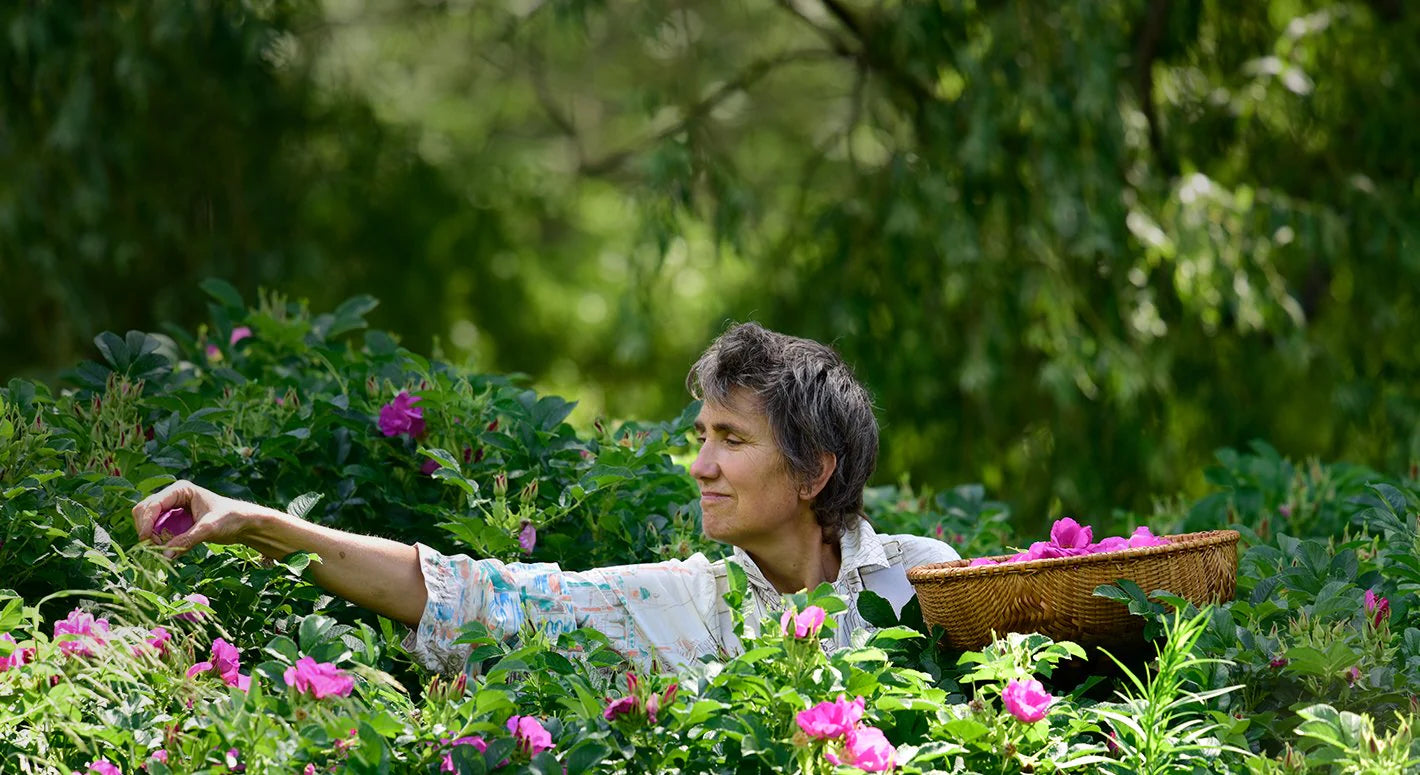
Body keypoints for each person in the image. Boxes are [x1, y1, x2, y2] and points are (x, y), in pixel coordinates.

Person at [131, 323, 960, 674]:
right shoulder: (681, 601)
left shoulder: (923, 585)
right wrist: (258, 523)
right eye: (701, 436)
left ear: (815, 471)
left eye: (731, 441)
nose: (701, 465)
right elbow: (479, 598)